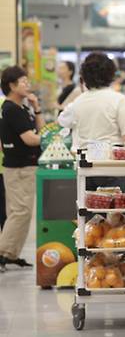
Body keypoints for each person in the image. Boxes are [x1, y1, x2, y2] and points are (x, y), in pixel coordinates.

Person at [58, 53, 125, 192]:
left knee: (90, 209)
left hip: (86, 166)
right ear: (111, 74)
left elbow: (63, 120)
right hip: (112, 166)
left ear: (84, 77)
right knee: (118, 210)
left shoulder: (78, 102)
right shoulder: (117, 100)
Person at [0, 66, 44, 270]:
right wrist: (52, 139)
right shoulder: (11, 109)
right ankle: (3, 253)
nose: (27, 84)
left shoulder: (20, 108)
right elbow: (31, 139)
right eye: (23, 81)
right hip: (19, 167)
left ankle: (11, 254)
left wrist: (36, 107)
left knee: (19, 212)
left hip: (22, 166)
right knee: (20, 212)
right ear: (12, 85)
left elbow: (39, 130)